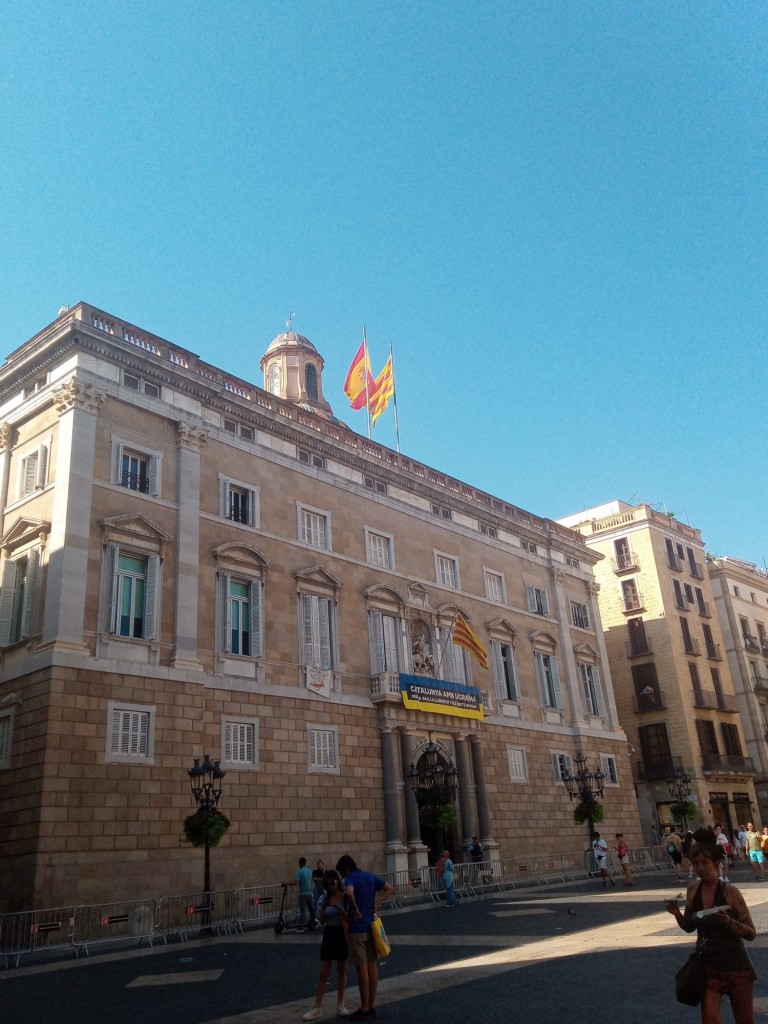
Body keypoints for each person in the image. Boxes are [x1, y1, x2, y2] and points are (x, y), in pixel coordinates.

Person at [665, 830, 756, 1024]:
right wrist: (677, 914)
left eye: (704, 863)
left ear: (716, 863)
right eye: (696, 863)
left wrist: (729, 922)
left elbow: (751, 933)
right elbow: (689, 926)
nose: (700, 867)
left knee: (744, 1020)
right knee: (710, 1019)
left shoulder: (730, 892)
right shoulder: (692, 889)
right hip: (707, 965)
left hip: (735, 964)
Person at [336, 854, 395, 1020]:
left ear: (347, 869)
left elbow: (349, 892)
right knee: (372, 966)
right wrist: (377, 903)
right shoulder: (370, 876)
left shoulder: (351, 878)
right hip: (371, 927)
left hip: (357, 929)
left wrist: (354, 909)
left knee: (361, 968)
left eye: (342, 873)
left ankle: (364, 1008)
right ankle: (371, 1005)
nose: (342, 877)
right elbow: (390, 888)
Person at [302, 869, 350, 1021]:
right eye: (327, 884)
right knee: (323, 972)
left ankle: (341, 1004)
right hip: (329, 933)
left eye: (332, 883)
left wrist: (338, 906)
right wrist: (323, 908)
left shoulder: (345, 897)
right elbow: (322, 922)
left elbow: (349, 917)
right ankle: (317, 1007)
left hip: (341, 933)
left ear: (338, 882)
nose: (330, 887)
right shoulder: (325, 898)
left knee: (342, 970)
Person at [284, 856, 316, 930]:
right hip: (310, 893)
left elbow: (295, 883)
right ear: (305, 863)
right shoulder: (309, 871)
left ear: (299, 863)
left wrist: (287, 883)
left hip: (302, 894)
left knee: (303, 911)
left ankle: (301, 927)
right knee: (311, 910)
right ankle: (313, 923)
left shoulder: (300, 871)